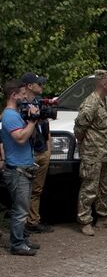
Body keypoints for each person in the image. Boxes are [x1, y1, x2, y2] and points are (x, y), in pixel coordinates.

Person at [73, 70, 107, 236]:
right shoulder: (91, 104)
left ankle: (103, 217)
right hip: (93, 153)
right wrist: (85, 144)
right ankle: (85, 220)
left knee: (105, 186)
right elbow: (79, 128)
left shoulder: (105, 101)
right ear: (104, 83)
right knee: (89, 188)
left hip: (105, 151)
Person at [1, 79, 41, 255]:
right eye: (23, 95)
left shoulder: (16, 114)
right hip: (17, 170)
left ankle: (22, 239)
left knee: (22, 207)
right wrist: (32, 121)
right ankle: (17, 244)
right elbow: (20, 138)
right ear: (13, 95)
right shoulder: (9, 116)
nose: (26, 98)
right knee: (20, 209)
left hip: (24, 167)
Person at [21, 72, 54, 234]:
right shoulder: (20, 106)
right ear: (29, 86)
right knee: (23, 190)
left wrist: (49, 148)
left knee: (37, 190)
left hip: (42, 151)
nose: (42, 87)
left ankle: (33, 221)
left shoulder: (39, 103)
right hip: (29, 152)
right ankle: (21, 223)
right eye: (39, 84)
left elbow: (46, 127)